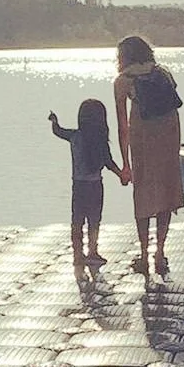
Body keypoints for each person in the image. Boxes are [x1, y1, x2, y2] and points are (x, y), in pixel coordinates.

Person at [113, 35, 184, 277]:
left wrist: (125, 163)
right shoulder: (163, 73)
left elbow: (122, 126)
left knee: (143, 194)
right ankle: (160, 252)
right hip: (168, 138)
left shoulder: (123, 81)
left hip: (142, 139)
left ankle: (144, 255)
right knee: (166, 193)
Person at [49, 99, 126, 273]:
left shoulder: (74, 136)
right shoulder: (100, 140)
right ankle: (93, 251)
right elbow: (108, 162)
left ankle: (78, 254)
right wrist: (121, 174)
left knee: (77, 220)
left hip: (78, 185)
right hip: (95, 185)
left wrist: (54, 120)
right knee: (94, 220)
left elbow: (58, 131)